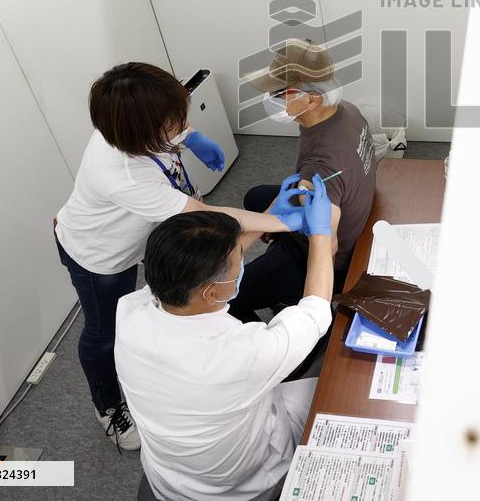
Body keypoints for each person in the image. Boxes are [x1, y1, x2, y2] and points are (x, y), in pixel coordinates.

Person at [54, 62, 294, 451]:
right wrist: (276, 221)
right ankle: (109, 407)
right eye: (172, 125)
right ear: (140, 132)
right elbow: (207, 218)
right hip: (99, 254)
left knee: (161, 301)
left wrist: (190, 135)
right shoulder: (122, 174)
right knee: (103, 333)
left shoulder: (126, 118)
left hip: (142, 231)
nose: (179, 126)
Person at [115, 185, 339, 501]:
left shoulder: (131, 311)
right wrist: (320, 234)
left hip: (169, 475)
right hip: (238, 484)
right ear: (211, 292)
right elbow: (315, 309)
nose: (243, 259)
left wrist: (270, 218)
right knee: (339, 388)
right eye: (238, 262)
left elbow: (214, 271)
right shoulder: (239, 352)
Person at [230, 39, 377, 324]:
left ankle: (274, 345)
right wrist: (272, 214)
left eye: (280, 93)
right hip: (351, 201)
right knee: (255, 196)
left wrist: (314, 304)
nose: (273, 99)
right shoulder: (345, 110)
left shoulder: (320, 166)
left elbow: (328, 246)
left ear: (311, 99)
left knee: (233, 297)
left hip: (326, 252)